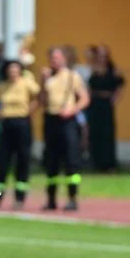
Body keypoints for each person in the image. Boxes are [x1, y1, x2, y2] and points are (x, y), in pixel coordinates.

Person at [41, 47, 89, 210]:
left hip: (67, 120)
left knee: (71, 159)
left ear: (64, 58)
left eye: (57, 58)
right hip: (51, 119)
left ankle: (72, 198)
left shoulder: (72, 76)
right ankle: (51, 199)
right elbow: (42, 100)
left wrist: (72, 110)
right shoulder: (48, 77)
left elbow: (84, 99)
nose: (54, 61)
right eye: (52, 58)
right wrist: (42, 82)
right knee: (51, 160)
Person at [0, 59, 40, 208]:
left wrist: (30, 110)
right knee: (2, 160)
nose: (13, 72)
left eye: (16, 69)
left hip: (23, 123)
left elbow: (38, 96)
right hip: (6, 124)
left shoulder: (26, 82)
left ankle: (20, 197)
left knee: (23, 160)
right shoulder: (1, 86)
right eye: (11, 69)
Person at [86, 46, 125, 172]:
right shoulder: (93, 69)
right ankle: (96, 162)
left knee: (107, 133)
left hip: (106, 104)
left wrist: (116, 97)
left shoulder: (113, 70)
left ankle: (109, 163)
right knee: (94, 132)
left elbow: (121, 84)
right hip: (94, 104)